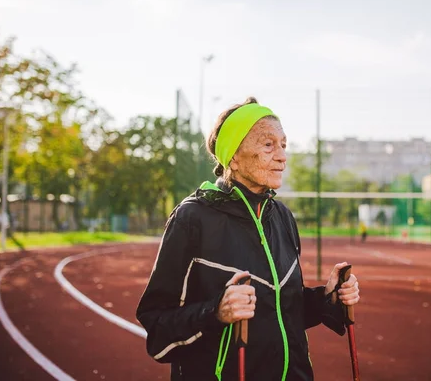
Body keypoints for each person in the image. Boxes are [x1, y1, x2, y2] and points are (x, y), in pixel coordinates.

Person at [136, 97, 360, 380]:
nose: (282, 156)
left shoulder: (281, 216)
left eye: (283, 145)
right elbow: (157, 326)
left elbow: (281, 309)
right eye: (268, 145)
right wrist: (216, 312)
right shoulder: (192, 219)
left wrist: (328, 298)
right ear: (234, 157)